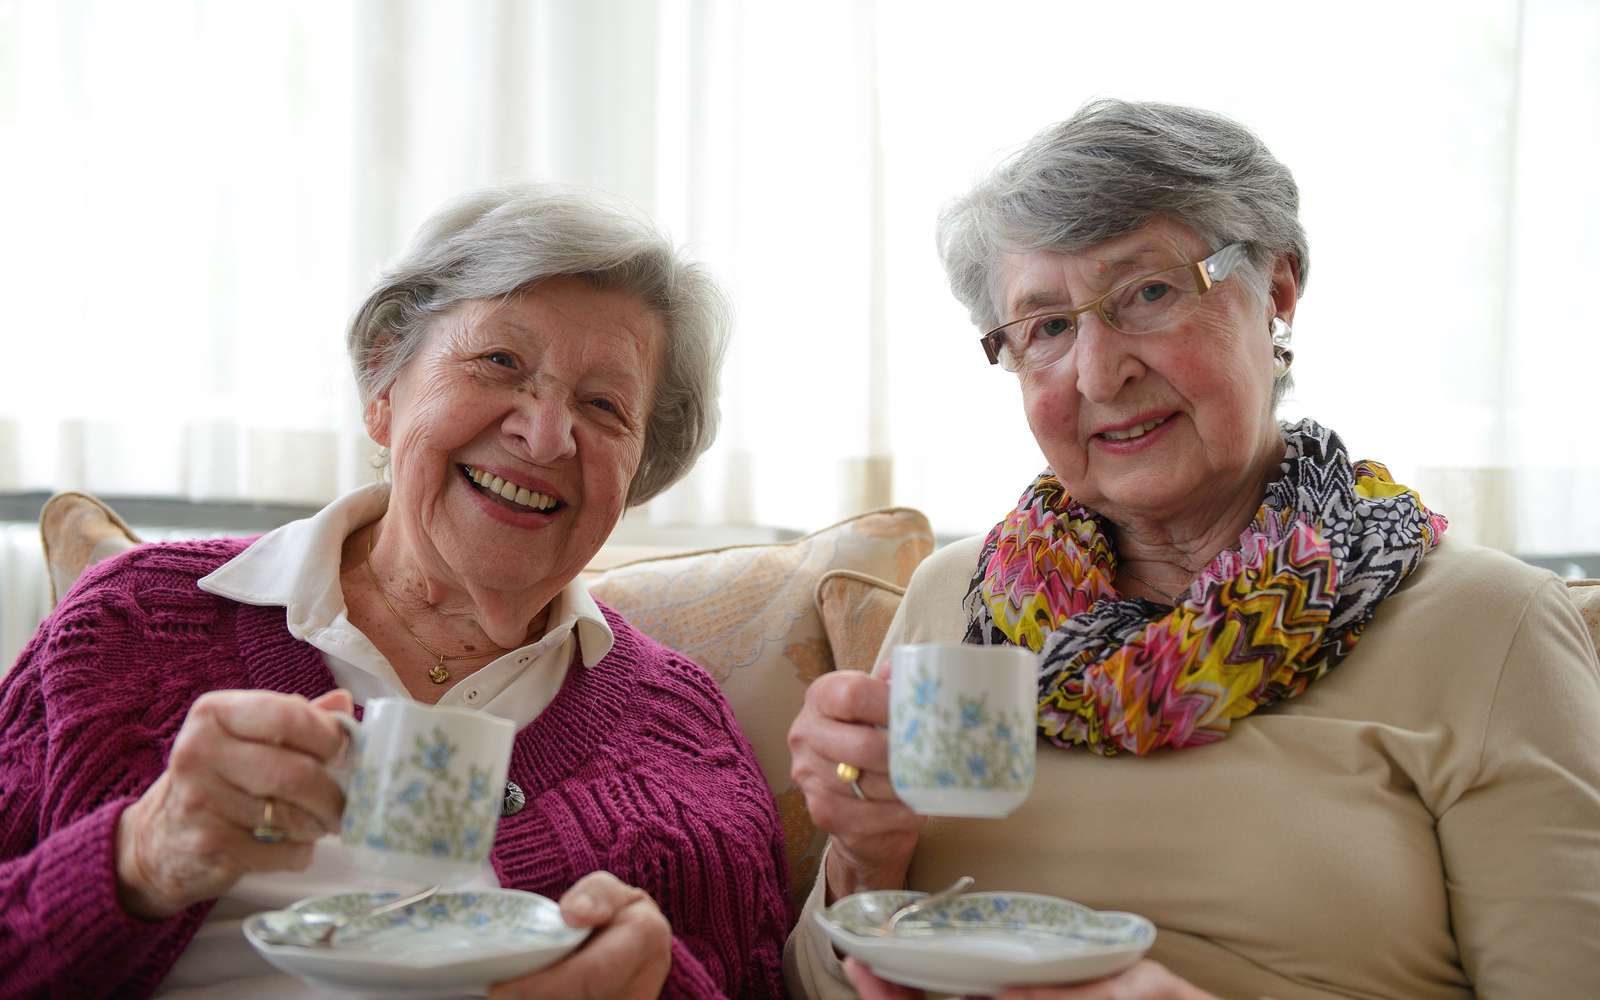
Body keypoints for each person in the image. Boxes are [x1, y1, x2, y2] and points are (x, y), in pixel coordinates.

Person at [785, 100, 1600, 999]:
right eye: (1047, 327)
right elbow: (821, 987)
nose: (1101, 373)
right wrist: (868, 858)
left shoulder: (1490, 627)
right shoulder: (958, 597)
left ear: (1277, 294)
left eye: (1147, 293)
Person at [0, 185, 790, 999]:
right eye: (500, 363)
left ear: (637, 471)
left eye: (603, 406)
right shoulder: (129, 624)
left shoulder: (679, 737)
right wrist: (139, 856)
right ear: (385, 386)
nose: (546, 434)